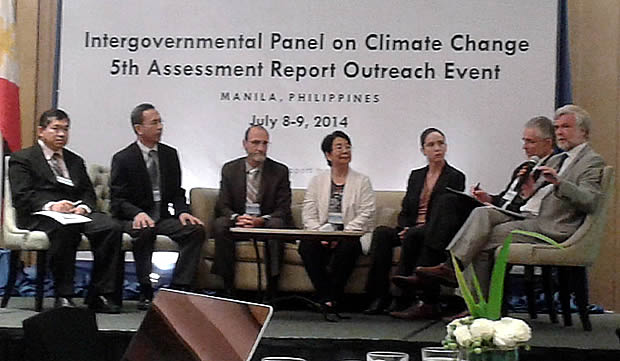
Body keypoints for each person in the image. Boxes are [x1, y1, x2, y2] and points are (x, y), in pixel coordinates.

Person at [417, 105, 605, 298]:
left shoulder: (591, 161)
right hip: (527, 217)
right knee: (482, 213)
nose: (559, 133)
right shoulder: (557, 160)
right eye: (557, 128)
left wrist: (559, 183)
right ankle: (456, 277)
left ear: (583, 131)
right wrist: (529, 192)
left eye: (565, 127)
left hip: (553, 226)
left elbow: (590, 200)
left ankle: (467, 294)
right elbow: (536, 197)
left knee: (482, 238)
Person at [390, 116, 557, 319]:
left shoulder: (552, 169)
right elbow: (507, 199)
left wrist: (526, 194)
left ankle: (448, 270)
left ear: (548, 142)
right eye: (524, 141)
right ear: (423, 150)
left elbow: (533, 204)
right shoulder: (524, 168)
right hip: (502, 211)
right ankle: (436, 278)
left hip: (519, 219)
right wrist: (488, 198)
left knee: (456, 208)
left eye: (530, 142)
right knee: (449, 203)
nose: (525, 147)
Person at [9, 109, 123, 313]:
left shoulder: (74, 160)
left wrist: (83, 207)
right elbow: (22, 194)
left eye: (66, 129)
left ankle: (100, 293)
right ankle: (64, 294)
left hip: (75, 213)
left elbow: (88, 193)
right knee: (64, 230)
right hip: (40, 214)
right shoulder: (23, 158)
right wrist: (52, 206)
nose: (61, 134)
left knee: (110, 227)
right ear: (41, 131)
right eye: (56, 129)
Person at [110, 103, 205, 310]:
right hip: (133, 218)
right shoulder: (123, 158)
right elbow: (118, 200)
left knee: (195, 231)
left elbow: (177, 192)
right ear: (139, 128)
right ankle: (145, 289)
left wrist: (182, 212)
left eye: (161, 121)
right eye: (154, 122)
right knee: (145, 230)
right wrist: (137, 213)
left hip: (161, 216)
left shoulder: (169, 155)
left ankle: (179, 289)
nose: (160, 127)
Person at [363, 128, 465, 316]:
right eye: (431, 145)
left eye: (441, 143)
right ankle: (378, 296)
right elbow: (406, 208)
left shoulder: (455, 176)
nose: (437, 148)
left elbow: (447, 214)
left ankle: (402, 298)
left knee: (414, 235)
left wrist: (413, 230)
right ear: (423, 150)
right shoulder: (416, 175)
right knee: (382, 233)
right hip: (411, 227)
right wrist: (404, 227)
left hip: (435, 230)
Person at [298, 131, 376, 312]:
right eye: (339, 147)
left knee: (348, 247)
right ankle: (330, 297)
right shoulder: (317, 181)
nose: (345, 151)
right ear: (328, 154)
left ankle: (327, 298)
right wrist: (321, 234)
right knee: (306, 246)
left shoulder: (362, 181)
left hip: (351, 234)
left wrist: (342, 234)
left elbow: (367, 212)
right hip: (323, 233)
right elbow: (308, 213)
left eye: (348, 147)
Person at [212, 125, 293, 297]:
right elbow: (222, 205)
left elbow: (283, 208)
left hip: (266, 224)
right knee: (220, 224)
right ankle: (227, 287)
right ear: (245, 144)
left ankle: (272, 288)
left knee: (277, 224)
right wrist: (237, 218)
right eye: (256, 143)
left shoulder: (279, 171)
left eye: (264, 143)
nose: (260, 148)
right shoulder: (230, 169)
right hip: (239, 223)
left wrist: (261, 220)